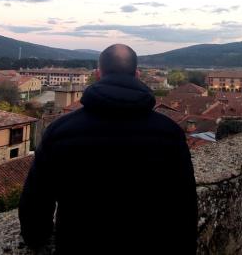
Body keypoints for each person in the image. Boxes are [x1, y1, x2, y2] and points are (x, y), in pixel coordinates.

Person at [19, 44, 198, 254]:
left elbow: (36, 200)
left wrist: (37, 239)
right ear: (137, 74)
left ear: (98, 74)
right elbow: (184, 204)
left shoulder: (60, 131)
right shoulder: (170, 133)